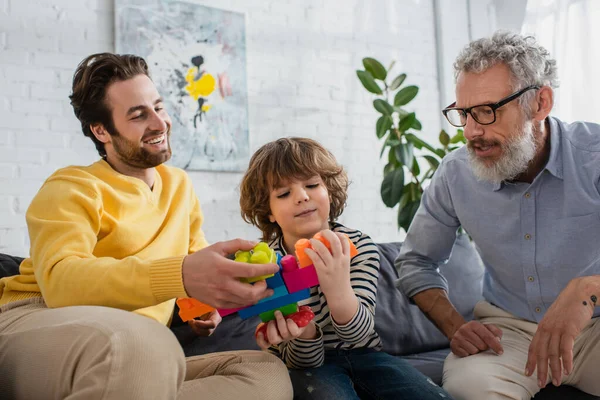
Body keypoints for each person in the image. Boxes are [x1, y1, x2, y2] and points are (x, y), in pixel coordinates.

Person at [0, 53, 292, 400]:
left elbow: (194, 258)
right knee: (145, 346)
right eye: (139, 115)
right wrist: (182, 276)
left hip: (137, 350)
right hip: (35, 320)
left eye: (159, 107)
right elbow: (61, 283)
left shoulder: (179, 187)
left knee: (265, 373)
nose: (159, 123)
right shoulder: (72, 187)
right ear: (101, 130)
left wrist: (203, 301)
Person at [395, 31, 600, 399]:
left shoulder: (595, 157)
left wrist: (587, 290)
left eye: (489, 111)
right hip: (509, 335)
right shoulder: (456, 173)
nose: (472, 132)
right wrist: (454, 326)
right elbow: (416, 262)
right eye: (464, 114)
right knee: (467, 386)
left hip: (596, 329)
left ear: (540, 103)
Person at [239, 137, 452, 399]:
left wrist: (337, 287)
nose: (302, 196)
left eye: (312, 185)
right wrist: (304, 331)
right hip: (308, 365)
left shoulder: (359, 246)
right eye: (284, 193)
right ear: (268, 210)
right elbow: (302, 361)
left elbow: (359, 336)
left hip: (365, 355)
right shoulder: (264, 265)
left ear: (328, 189)